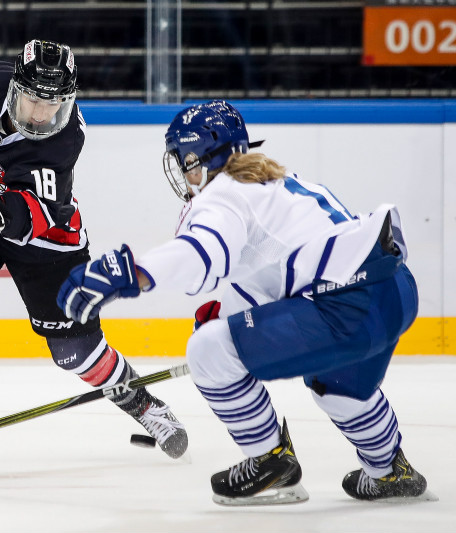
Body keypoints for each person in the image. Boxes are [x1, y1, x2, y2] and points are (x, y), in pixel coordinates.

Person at [57, 100, 432, 505]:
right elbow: (278, 268)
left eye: (186, 161)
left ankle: (271, 465)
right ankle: (391, 473)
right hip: (393, 290)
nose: (185, 173)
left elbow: (202, 254)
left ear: (201, 156)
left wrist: (130, 272)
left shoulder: (222, 194)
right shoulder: (275, 183)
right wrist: (231, 312)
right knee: (337, 386)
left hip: (345, 309)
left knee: (207, 351)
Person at [0, 39, 188, 473]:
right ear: (14, 87)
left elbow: (39, 210)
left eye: (53, 103)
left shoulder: (65, 138)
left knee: (75, 352)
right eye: (34, 100)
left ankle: (145, 404)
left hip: (45, 238)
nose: (42, 114)